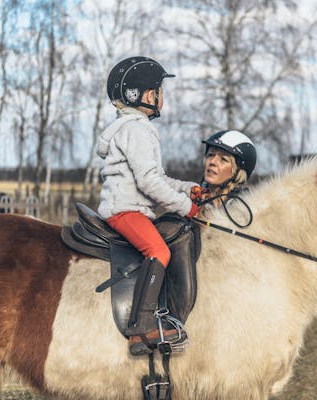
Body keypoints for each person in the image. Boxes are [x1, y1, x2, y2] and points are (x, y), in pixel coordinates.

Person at [97, 56, 199, 356]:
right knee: (159, 251)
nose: (162, 97)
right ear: (142, 95)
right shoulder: (137, 130)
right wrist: (187, 208)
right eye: (159, 91)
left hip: (131, 206)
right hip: (125, 209)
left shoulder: (134, 127)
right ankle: (141, 329)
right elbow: (149, 184)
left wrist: (187, 189)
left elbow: (158, 177)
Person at [192, 130, 256, 214]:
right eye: (210, 155)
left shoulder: (250, 210)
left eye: (223, 159)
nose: (213, 162)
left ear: (238, 172)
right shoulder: (187, 200)